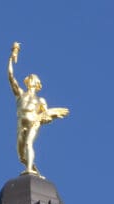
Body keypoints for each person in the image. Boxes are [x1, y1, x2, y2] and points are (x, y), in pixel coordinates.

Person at [8, 42, 69, 177]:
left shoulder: (40, 101)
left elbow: (45, 116)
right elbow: (11, 77)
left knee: (29, 143)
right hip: (21, 124)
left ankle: (30, 169)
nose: (30, 80)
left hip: (33, 122)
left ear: (36, 84)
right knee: (21, 155)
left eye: (33, 79)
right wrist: (11, 57)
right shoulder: (20, 94)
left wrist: (49, 116)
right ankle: (31, 167)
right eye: (29, 79)